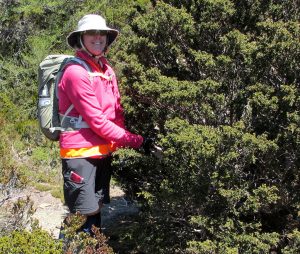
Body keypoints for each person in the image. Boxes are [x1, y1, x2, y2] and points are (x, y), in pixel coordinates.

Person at [58, 14, 144, 236]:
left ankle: (95, 248)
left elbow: (116, 112)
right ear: (81, 39)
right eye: (91, 33)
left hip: (103, 151)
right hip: (80, 154)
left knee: (95, 209)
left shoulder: (105, 69)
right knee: (82, 214)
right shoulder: (75, 72)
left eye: (101, 33)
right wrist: (136, 141)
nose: (97, 37)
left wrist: (121, 140)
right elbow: (97, 121)